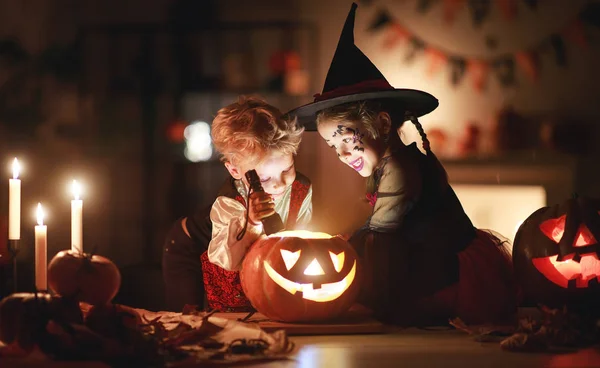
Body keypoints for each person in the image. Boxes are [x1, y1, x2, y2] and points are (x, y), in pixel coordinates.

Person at [286, 3, 518, 326]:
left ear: (381, 124)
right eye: (332, 146)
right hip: (429, 259)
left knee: (379, 295)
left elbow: (380, 238)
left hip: (448, 274)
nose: (341, 154)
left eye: (345, 139)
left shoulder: (399, 170)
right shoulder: (391, 163)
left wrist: (339, 249)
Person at [162, 96, 313, 312]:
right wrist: (251, 221)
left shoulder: (301, 187)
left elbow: (300, 235)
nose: (280, 184)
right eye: (265, 179)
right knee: (190, 318)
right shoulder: (229, 203)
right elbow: (228, 260)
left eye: (287, 170)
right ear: (234, 170)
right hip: (192, 248)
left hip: (245, 256)